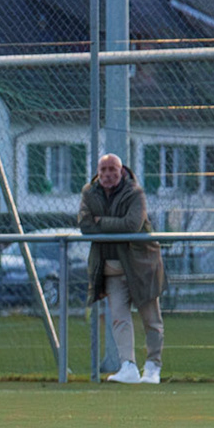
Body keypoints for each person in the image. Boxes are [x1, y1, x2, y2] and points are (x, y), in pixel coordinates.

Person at [81, 151, 165, 384]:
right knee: (118, 318)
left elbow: (132, 225)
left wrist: (101, 221)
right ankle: (128, 366)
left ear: (121, 171)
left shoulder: (135, 193)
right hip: (112, 271)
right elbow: (85, 225)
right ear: (98, 172)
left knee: (151, 319)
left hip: (140, 266)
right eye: (103, 170)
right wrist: (103, 225)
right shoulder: (89, 193)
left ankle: (153, 367)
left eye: (112, 169)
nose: (108, 174)